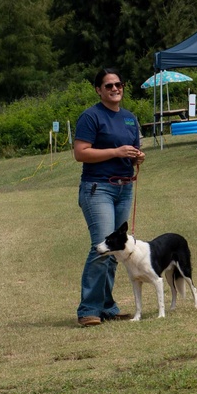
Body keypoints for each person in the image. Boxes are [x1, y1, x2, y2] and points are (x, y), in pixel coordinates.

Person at [73, 68, 145, 327]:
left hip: (124, 188)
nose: (115, 89)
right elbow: (81, 153)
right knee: (101, 248)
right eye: (109, 85)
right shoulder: (91, 116)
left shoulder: (129, 118)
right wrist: (116, 151)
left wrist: (137, 156)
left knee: (116, 249)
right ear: (98, 90)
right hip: (98, 188)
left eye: (119, 84)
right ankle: (88, 310)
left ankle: (107, 307)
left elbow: (133, 148)